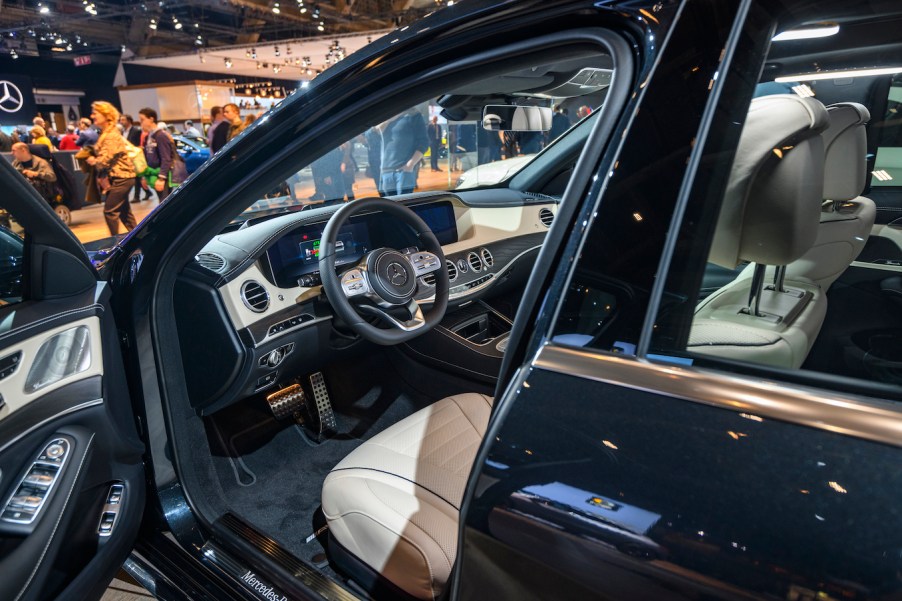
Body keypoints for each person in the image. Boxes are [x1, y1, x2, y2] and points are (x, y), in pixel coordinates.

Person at [87, 101, 137, 235]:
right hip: (120, 178)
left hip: (122, 178)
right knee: (124, 213)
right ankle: (140, 239)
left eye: (95, 113)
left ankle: (115, 244)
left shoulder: (111, 136)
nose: (92, 116)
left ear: (106, 115)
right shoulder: (106, 134)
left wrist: (93, 160)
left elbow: (104, 161)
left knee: (110, 211)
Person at [378, 109, 429, 196]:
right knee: (388, 205)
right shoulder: (384, 115)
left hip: (403, 170)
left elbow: (424, 143)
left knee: (403, 204)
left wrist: (410, 164)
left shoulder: (413, 115)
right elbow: (374, 133)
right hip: (386, 170)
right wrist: (389, 119)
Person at [139, 108, 176, 202]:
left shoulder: (161, 135)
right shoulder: (149, 136)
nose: (141, 123)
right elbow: (148, 157)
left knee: (165, 204)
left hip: (163, 175)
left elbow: (166, 158)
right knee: (162, 203)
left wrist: (161, 178)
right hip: (153, 174)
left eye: (142, 120)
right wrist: (144, 176)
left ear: (151, 119)